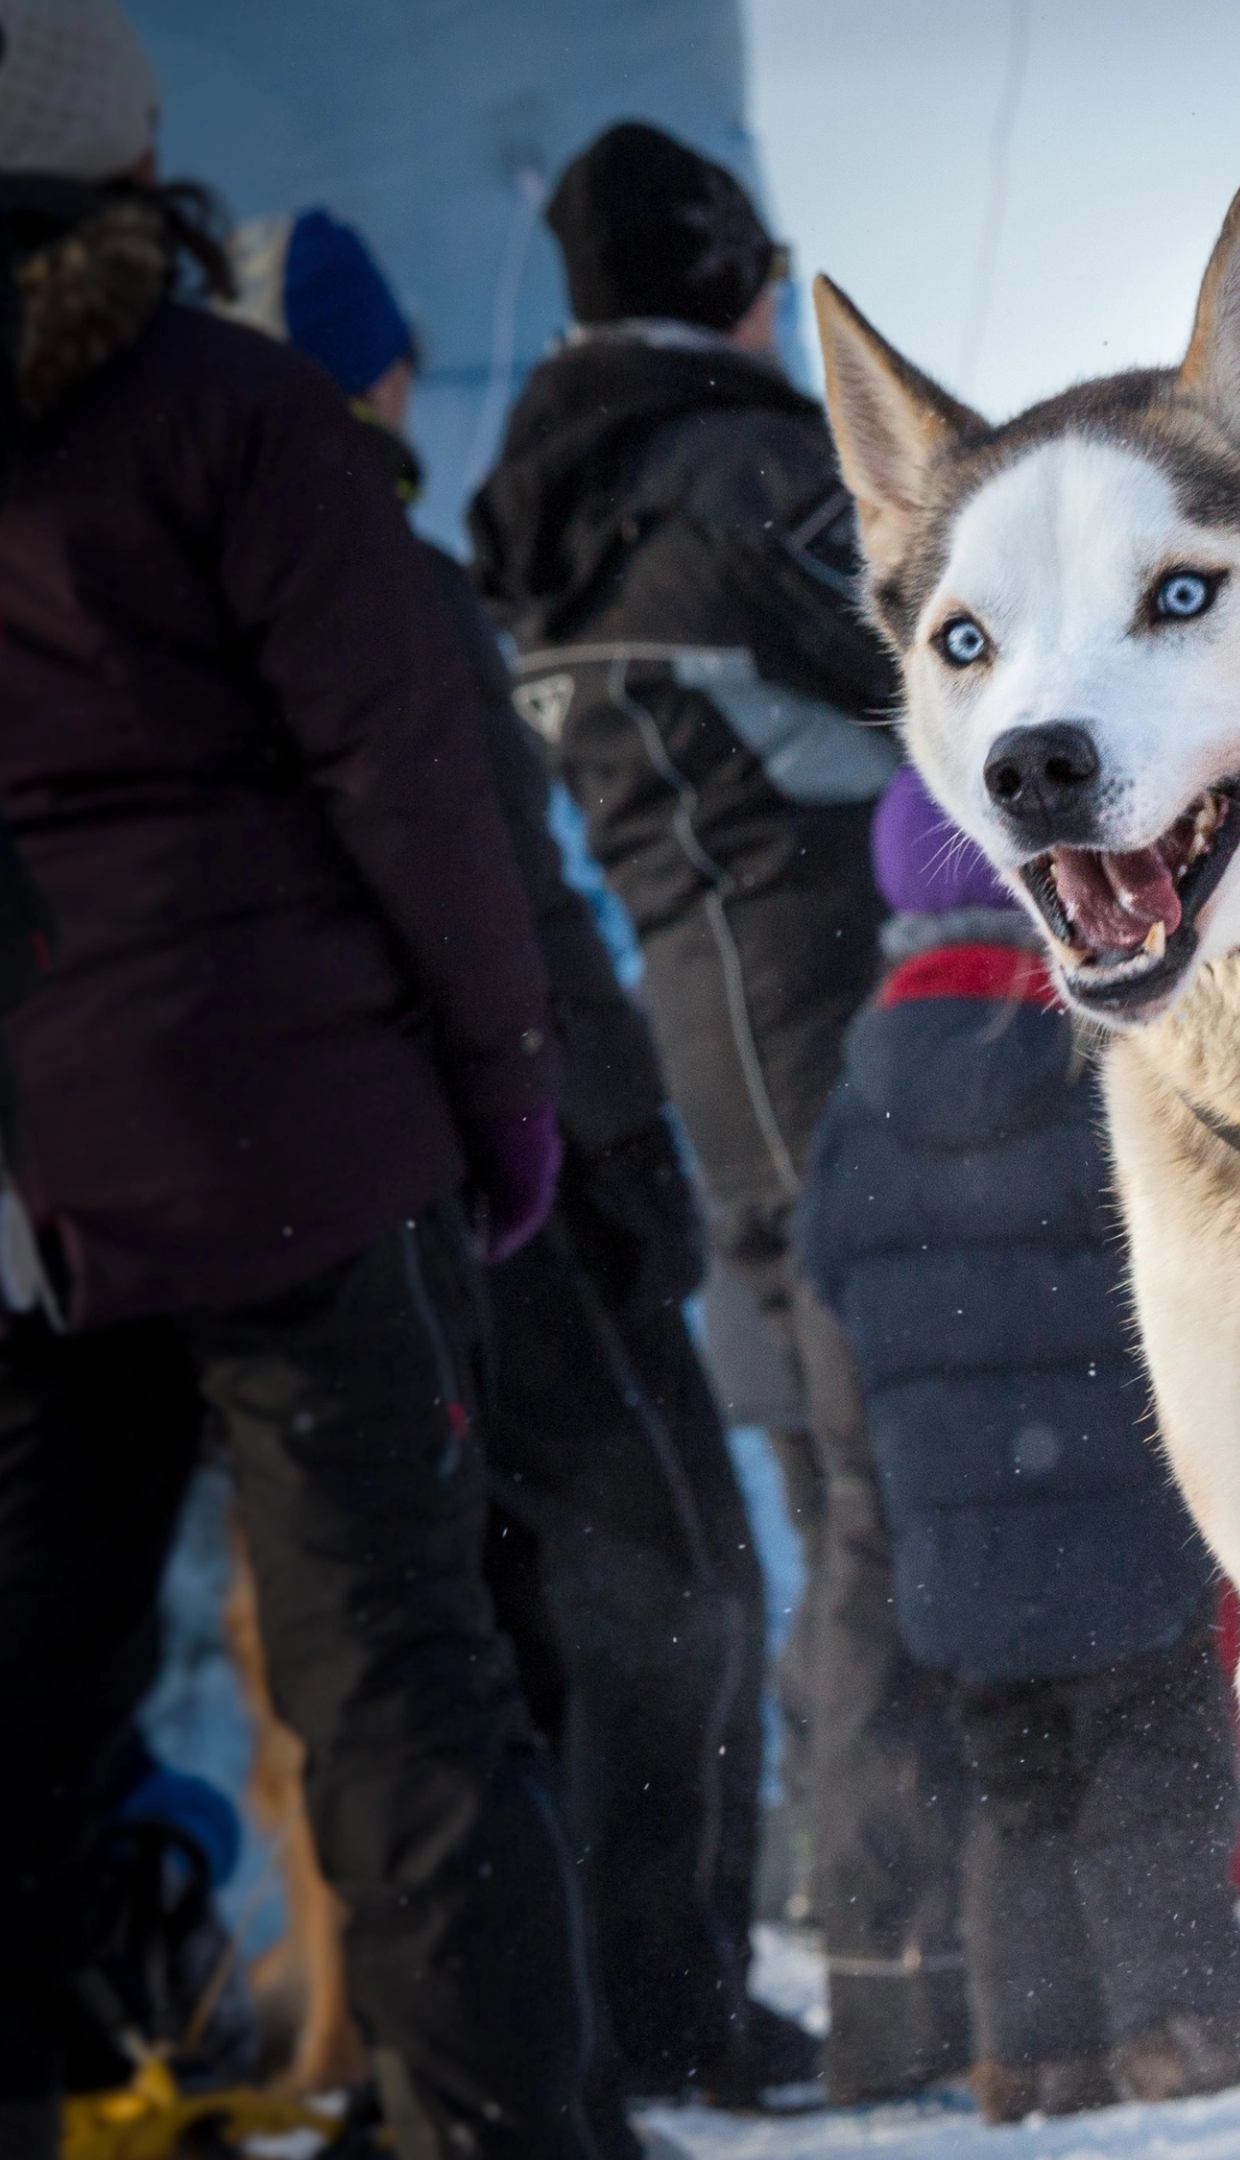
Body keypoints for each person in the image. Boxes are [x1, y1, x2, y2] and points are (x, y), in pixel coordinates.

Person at [0, 7, 614, 2154]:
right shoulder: (235, 417)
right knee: (399, 1689)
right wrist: (504, 1086)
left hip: (16, 1190)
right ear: (131, 160)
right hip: (290, 1148)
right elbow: (413, 787)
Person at [227, 204, 801, 2108]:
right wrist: (599, 1125)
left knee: (454, 1621)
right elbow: (494, 893)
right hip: (513, 1149)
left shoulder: (185, 590)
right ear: (373, 373)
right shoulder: (365, 572)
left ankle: (502, 2031)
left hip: (325, 1177)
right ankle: (666, 2002)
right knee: (673, 1575)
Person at [466, 119, 972, 2101]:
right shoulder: (752, 473)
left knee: (828, 1513)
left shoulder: (539, 504)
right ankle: (910, 1987)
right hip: (848, 1045)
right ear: (740, 279)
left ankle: (876, 1968)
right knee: (895, 1513)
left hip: (706, 1063)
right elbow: (962, 664)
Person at [800, 774, 1240, 2124]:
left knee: (1015, 1797)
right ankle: (1184, 2021)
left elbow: (826, 1289)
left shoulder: (854, 1101)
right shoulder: (1101, 1060)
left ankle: (1032, 2053)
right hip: (1123, 1515)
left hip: (953, 1548)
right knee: (1154, 1765)